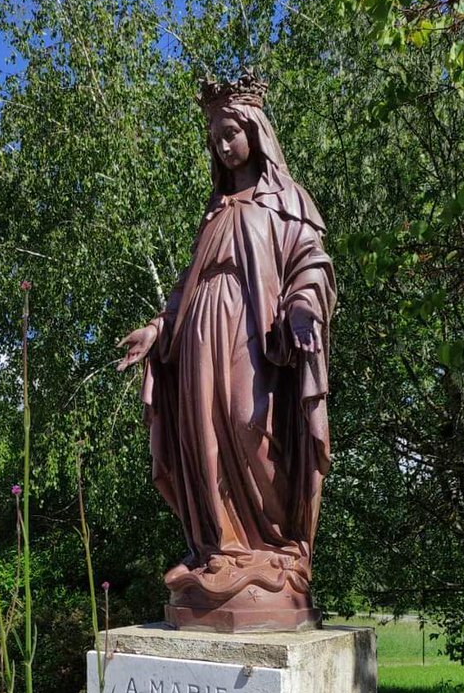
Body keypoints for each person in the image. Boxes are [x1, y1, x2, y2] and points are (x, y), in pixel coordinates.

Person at [119, 74, 337, 630]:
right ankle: (218, 547)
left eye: (231, 132)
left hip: (251, 333)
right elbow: (186, 286)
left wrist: (303, 309)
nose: (221, 145)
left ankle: (274, 546)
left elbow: (310, 264)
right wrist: (158, 327)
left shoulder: (287, 201)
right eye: (214, 136)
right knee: (204, 440)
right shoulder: (216, 209)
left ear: (256, 132)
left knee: (249, 425)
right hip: (197, 335)